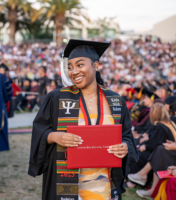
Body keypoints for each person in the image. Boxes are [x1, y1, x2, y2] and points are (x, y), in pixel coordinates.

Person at [28, 39, 138, 200]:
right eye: (70, 67)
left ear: (95, 65)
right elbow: (40, 130)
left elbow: (127, 136)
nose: (74, 72)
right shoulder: (57, 98)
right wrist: (55, 136)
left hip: (104, 186)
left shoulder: (115, 101)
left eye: (80, 65)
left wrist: (125, 147)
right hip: (67, 185)